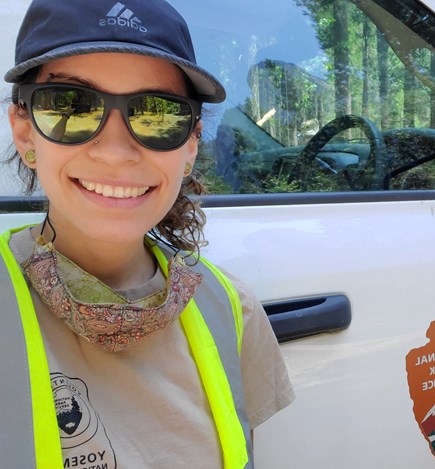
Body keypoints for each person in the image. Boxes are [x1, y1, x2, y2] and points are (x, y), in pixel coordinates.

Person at [0, 1, 294, 468]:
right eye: (71, 106)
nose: (116, 153)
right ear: (25, 132)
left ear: (191, 143)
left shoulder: (230, 309)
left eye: (158, 114)